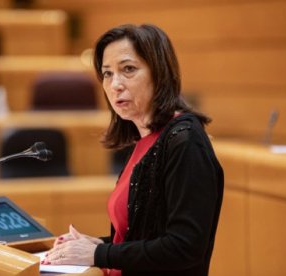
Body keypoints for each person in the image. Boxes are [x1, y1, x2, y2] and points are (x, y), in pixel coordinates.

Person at [42, 24, 224, 276]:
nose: (115, 84)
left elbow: (184, 247)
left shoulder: (185, 140)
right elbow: (145, 235)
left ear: (159, 74)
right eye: (107, 73)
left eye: (128, 69)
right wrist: (99, 244)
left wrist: (98, 254)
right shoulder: (145, 141)